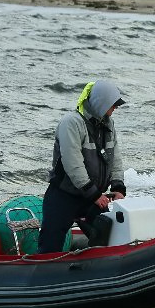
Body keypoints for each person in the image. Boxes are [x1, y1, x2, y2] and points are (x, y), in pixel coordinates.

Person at [37, 80, 127, 253]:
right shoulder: (71, 123)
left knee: (106, 237)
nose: (115, 108)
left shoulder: (108, 125)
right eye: (113, 105)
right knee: (50, 245)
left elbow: (115, 157)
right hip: (64, 196)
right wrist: (93, 193)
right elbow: (73, 163)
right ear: (101, 103)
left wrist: (118, 186)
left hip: (92, 197)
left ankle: (93, 269)